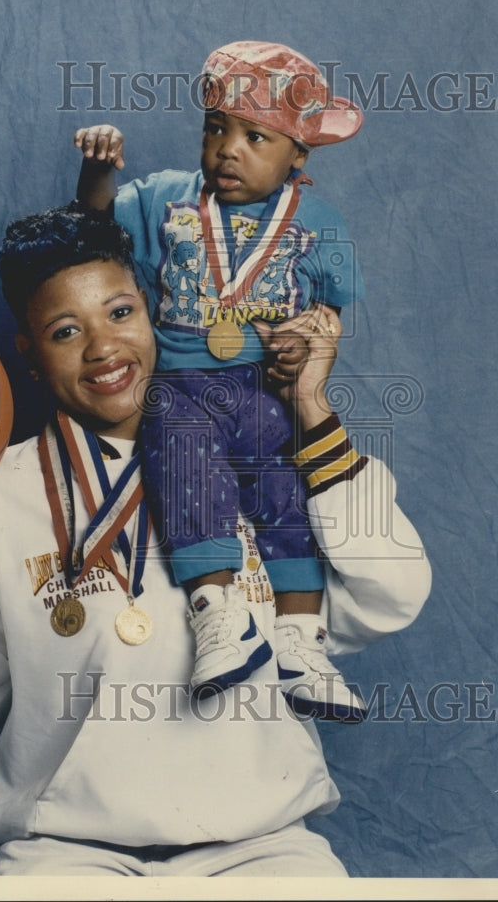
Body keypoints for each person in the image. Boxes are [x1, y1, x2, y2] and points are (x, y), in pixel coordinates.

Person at [0, 204, 431, 877]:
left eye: (120, 313)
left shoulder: (264, 451)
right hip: (63, 856)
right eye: (64, 330)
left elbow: (390, 594)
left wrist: (311, 409)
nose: (103, 348)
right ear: (26, 352)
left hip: (265, 848)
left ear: (154, 309)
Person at [74, 40, 368, 720]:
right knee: (185, 477)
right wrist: (96, 170)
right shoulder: (170, 199)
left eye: (254, 137)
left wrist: (305, 351)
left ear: (298, 154)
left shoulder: (318, 224)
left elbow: (326, 316)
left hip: (265, 389)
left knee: (286, 497)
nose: (227, 150)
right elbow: (94, 220)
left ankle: (302, 645)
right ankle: (217, 617)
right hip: (179, 386)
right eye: (216, 130)